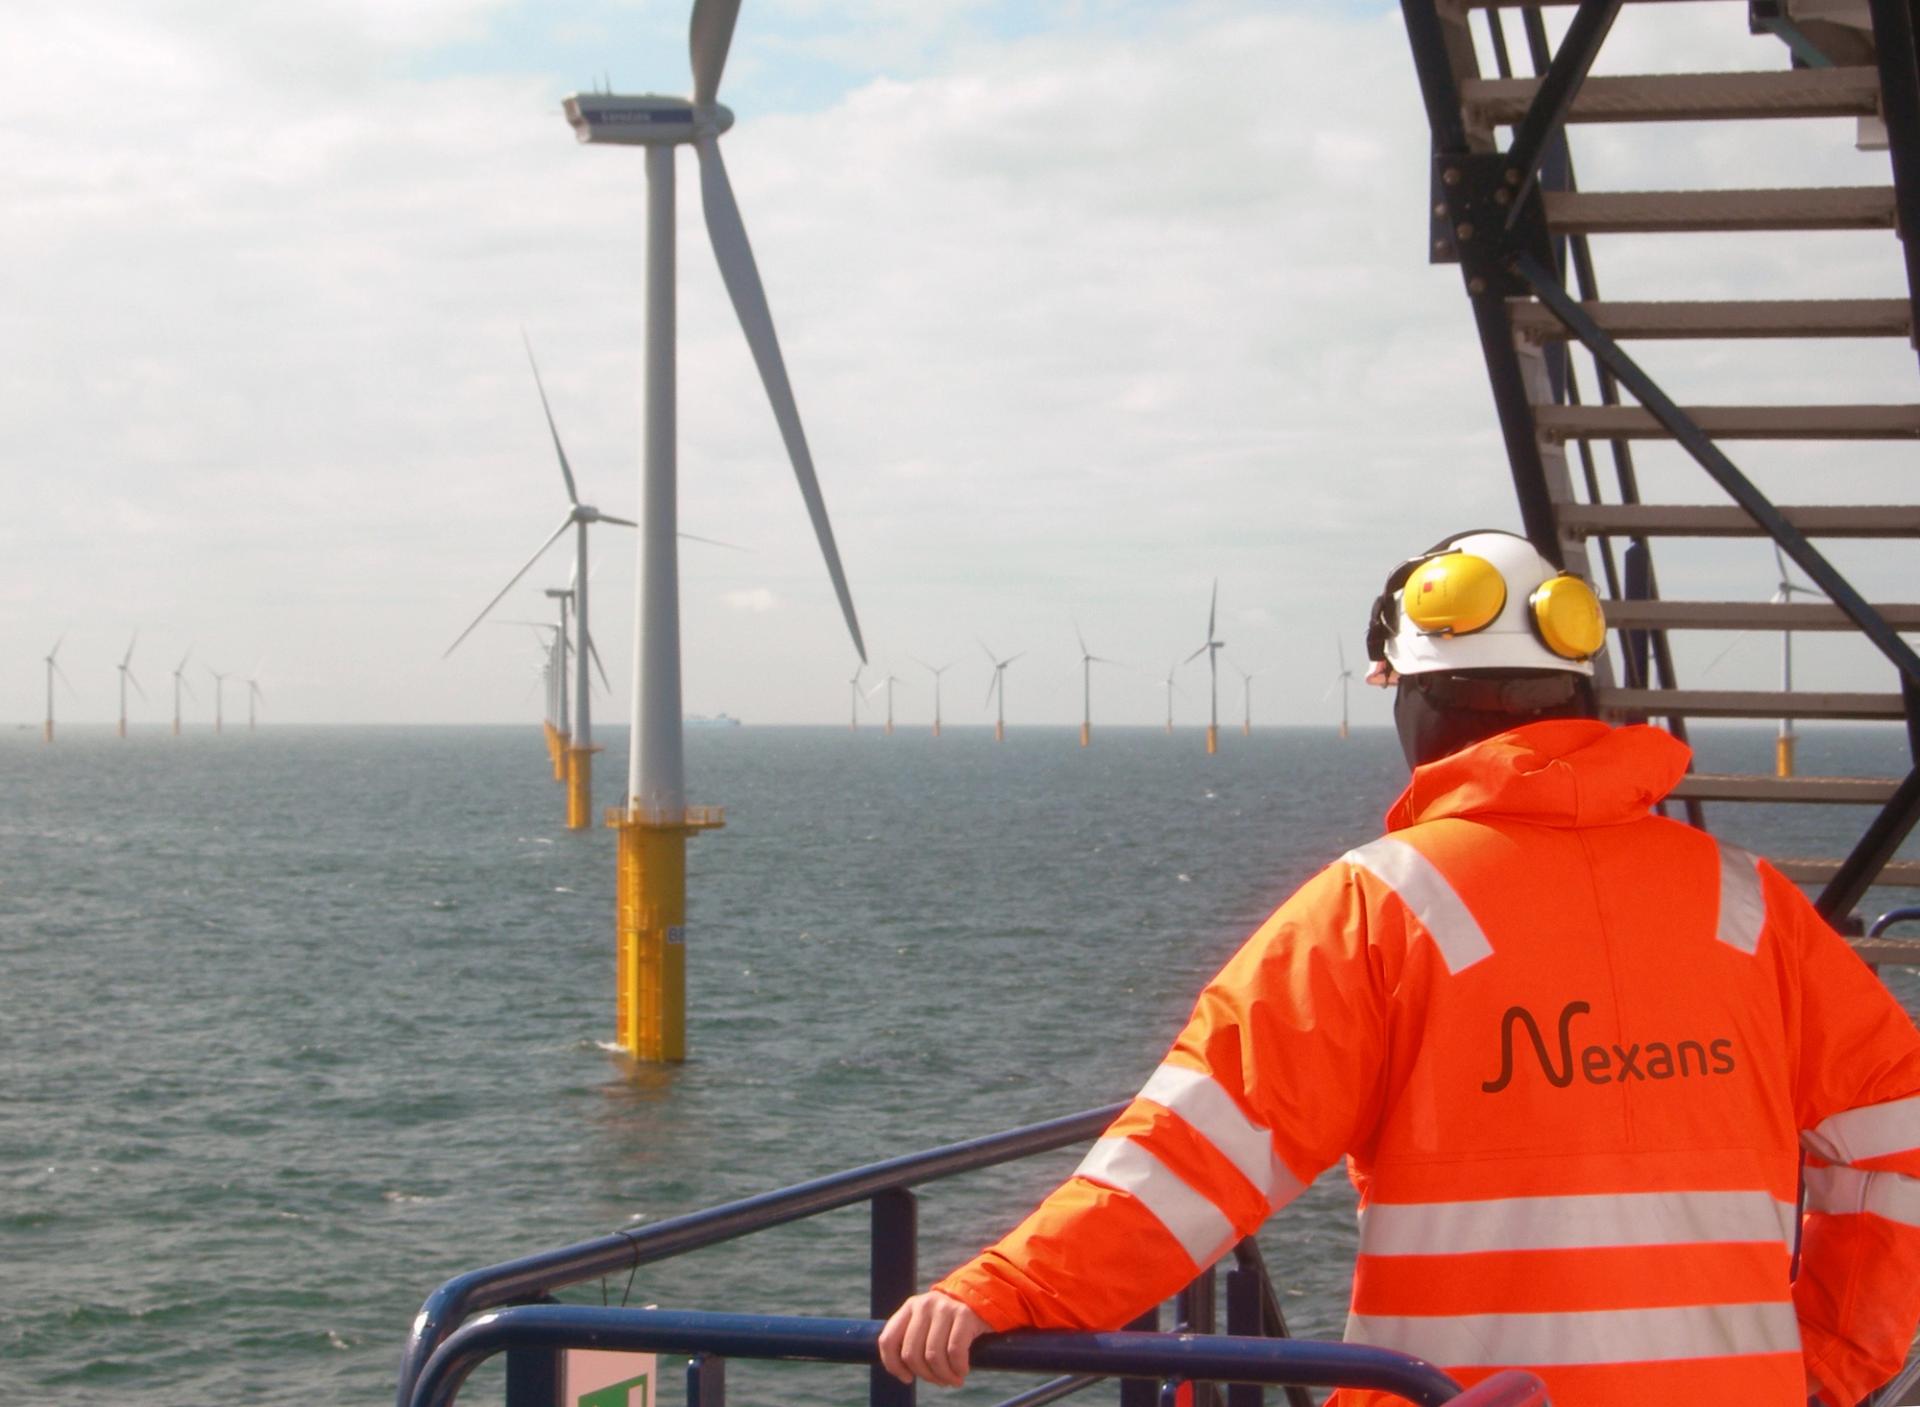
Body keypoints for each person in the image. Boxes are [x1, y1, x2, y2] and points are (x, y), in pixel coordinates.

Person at [879, 530, 1920, 1406]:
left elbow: (1199, 1150)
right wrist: (1821, 1359)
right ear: (1578, 698)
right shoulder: (1749, 903)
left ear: (1416, 703)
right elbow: (1898, 1131)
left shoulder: (1385, 906)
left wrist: (1006, 1291)